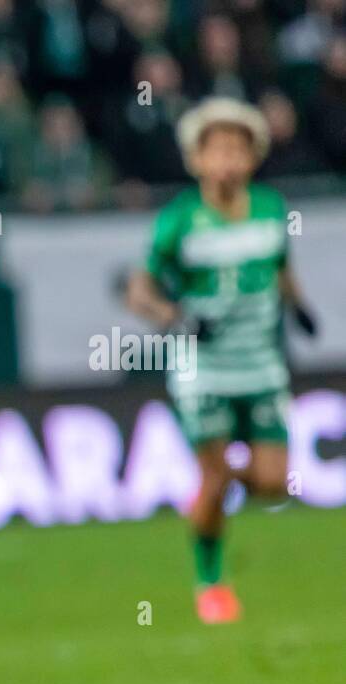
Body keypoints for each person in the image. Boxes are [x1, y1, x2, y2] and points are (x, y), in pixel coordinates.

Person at [125, 98, 316, 624]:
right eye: (218, 149)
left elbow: (281, 267)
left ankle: (217, 484)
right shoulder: (180, 218)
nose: (228, 159)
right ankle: (210, 583)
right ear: (197, 159)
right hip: (202, 369)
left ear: (252, 157)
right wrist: (171, 316)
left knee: (275, 483)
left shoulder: (272, 208)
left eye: (238, 148)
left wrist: (299, 307)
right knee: (213, 481)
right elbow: (139, 288)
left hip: (261, 364)